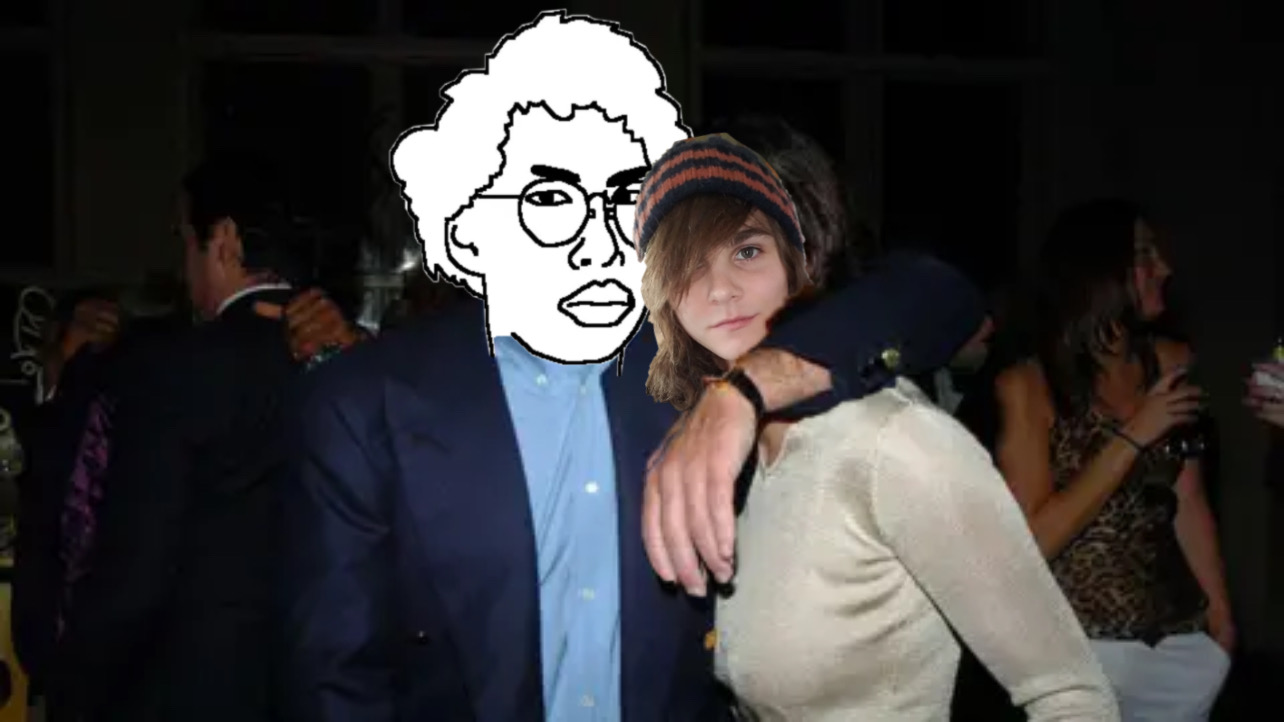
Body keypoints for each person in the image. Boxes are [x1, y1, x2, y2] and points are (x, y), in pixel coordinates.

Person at [279, 11, 987, 722]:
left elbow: (937, 294)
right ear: (467, 231)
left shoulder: (703, 352)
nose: (595, 241)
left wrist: (746, 390)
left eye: (621, 198)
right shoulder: (368, 402)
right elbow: (338, 680)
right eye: (549, 200)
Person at [635, 133, 1117, 720]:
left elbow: (1072, 697)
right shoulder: (723, 444)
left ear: (807, 255)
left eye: (747, 251)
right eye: (688, 260)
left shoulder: (892, 441)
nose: (718, 289)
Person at [43, 156, 343, 722]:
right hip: (320, 686)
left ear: (223, 241)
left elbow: (135, 572)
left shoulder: (173, 367)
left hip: (199, 688)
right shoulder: (359, 359)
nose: (183, 268)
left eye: (185, 240)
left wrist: (76, 686)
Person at [994, 199, 1232, 720]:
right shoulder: (1030, 386)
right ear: (1098, 273)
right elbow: (1032, 543)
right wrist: (1133, 436)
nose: (1164, 268)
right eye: (1145, 254)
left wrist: (1221, 622)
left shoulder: (1169, 363)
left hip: (1180, 647)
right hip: (1077, 652)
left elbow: (1188, 499)